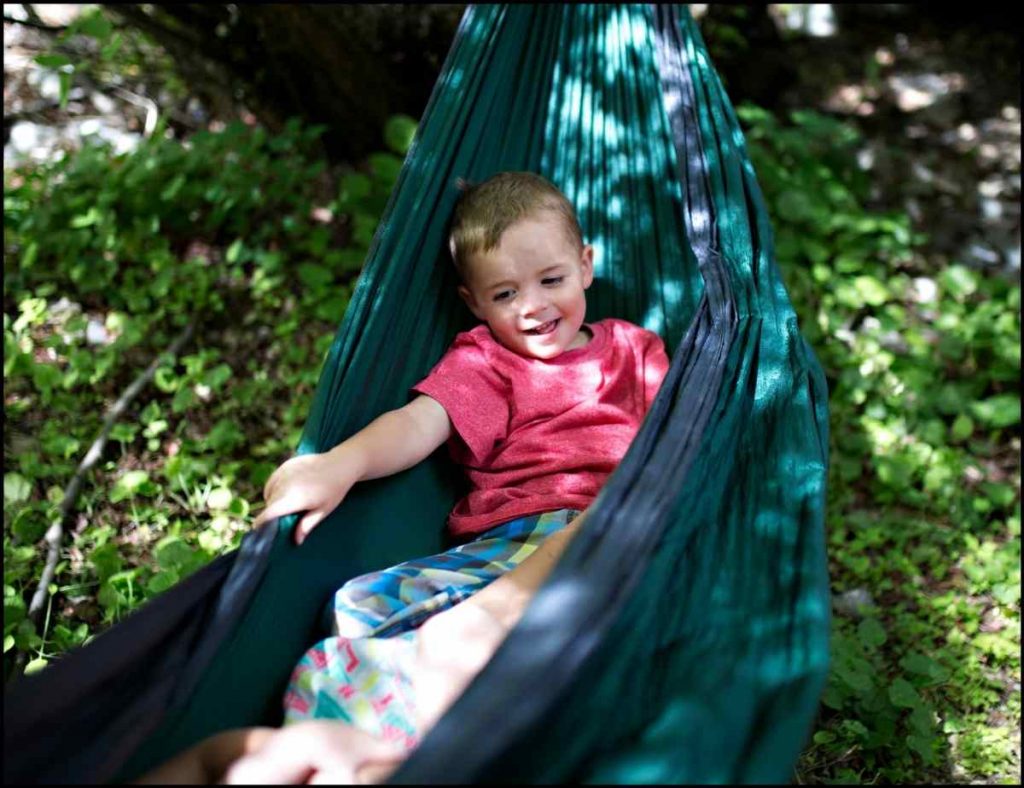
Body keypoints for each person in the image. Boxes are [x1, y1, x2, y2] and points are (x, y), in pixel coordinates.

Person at [137, 171, 669, 783]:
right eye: (503, 294)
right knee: (357, 606)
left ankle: (462, 713)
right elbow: (420, 423)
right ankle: (401, 733)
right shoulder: (489, 363)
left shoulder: (633, 350)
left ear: (586, 264)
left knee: (503, 632)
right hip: (502, 542)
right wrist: (341, 463)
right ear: (472, 302)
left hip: (604, 528)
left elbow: (678, 436)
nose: (532, 307)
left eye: (551, 280)